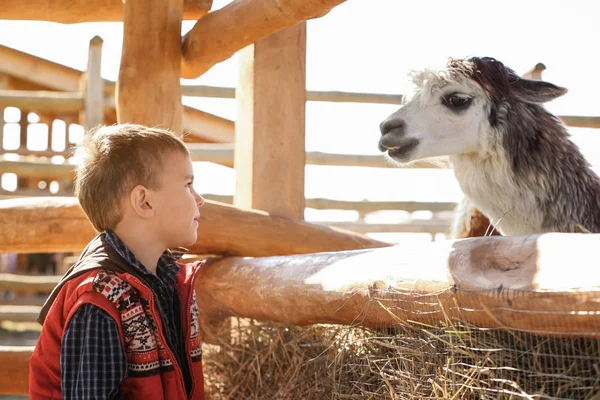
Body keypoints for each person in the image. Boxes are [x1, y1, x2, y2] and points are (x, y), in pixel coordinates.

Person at [29, 124, 206, 399]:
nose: (200, 199)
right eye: (188, 184)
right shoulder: (98, 301)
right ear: (144, 202)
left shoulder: (168, 282)